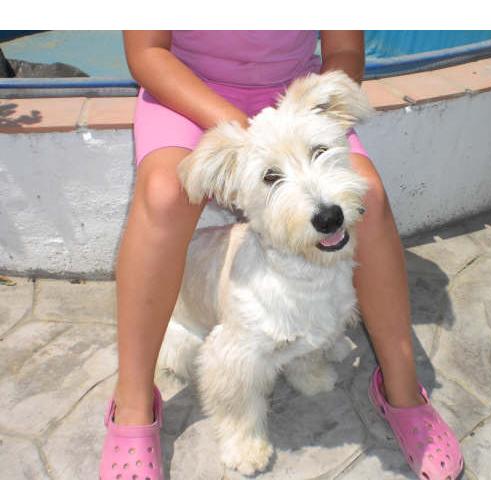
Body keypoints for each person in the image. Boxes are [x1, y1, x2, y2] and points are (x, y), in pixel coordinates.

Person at [99, 30, 462, 480]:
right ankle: (133, 402)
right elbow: (147, 52)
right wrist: (245, 135)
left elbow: (344, 50)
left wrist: (317, 110)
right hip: (186, 90)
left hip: (294, 99)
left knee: (369, 196)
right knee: (164, 194)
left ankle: (402, 388)